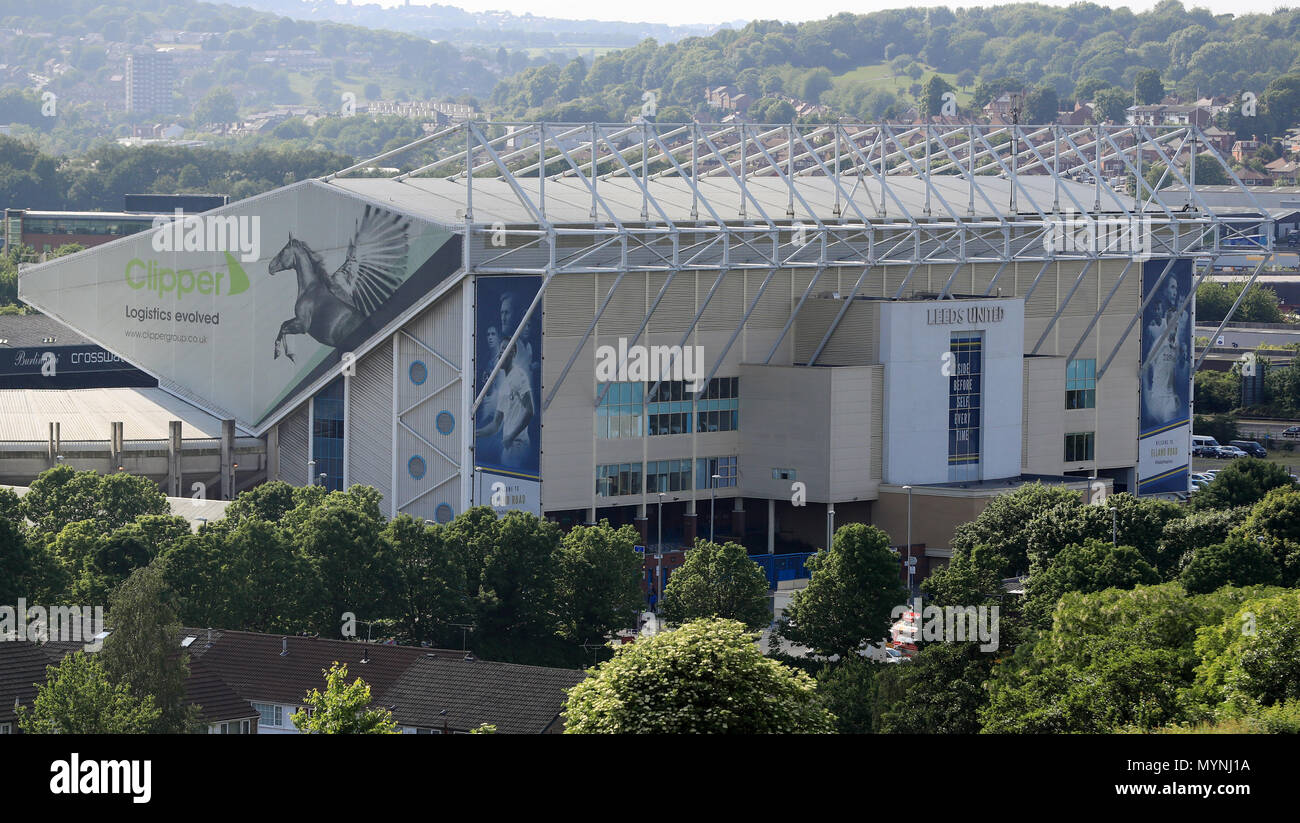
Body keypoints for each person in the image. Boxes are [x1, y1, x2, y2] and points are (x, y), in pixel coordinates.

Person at [474, 342, 534, 469]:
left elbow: (530, 411)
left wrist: (511, 437)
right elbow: (495, 425)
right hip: (510, 446)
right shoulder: (504, 387)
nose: (500, 352)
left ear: (513, 353)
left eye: (504, 349)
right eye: (500, 349)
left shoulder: (518, 375)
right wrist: (474, 433)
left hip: (518, 445)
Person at [1144, 273, 1188, 427]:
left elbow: (1182, 373)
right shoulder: (1156, 335)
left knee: (1169, 429)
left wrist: (1183, 360)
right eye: (1172, 287)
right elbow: (1145, 368)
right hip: (1155, 398)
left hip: (1170, 399)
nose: (1175, 292)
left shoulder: (1178, 344)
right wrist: (1147, 395)